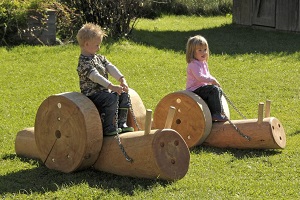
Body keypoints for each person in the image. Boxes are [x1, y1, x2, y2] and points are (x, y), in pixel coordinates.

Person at [76, 23, 134, 135]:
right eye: (97, 45)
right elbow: (95, 76)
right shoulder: (84, 63)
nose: (99, 47)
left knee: (124, 94)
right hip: (92, 94)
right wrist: (111, 86)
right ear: (87, 44)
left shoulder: (99, 58)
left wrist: (122, 79)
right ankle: (108, 127)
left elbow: (110, 67)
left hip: (104, 91)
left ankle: (122, 123)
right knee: (110, 98)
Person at [185, 35, 227, 122]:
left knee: (218, 90)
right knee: (214, 90)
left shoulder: (203, 63)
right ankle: (216, 114)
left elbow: (208, 74)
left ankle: (219, 112)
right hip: (194, 89)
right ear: (192, 52)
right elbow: (200, 77)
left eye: (205, 50)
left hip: (202, 88)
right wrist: (211, 80)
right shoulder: (193, 64)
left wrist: (213, 80)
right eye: (199, 50)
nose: (203, 52)